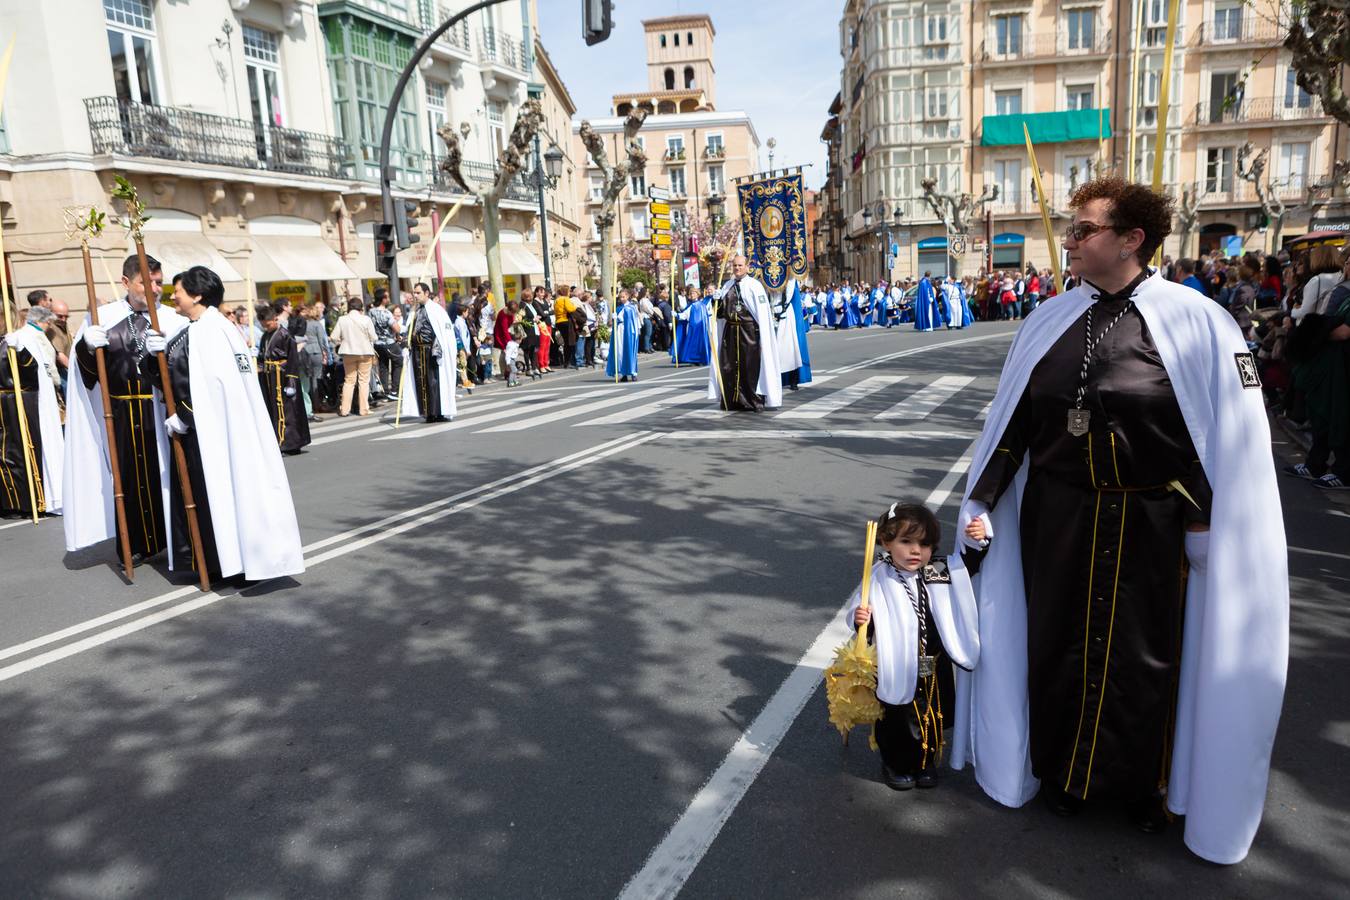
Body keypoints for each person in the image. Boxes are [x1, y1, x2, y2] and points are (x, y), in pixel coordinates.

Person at [951, 177, 1287, 865]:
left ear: (1132, 240)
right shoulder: (1048, 318)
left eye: (1084, 230)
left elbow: (1223, 439)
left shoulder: (1199, 323)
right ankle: (1067, 775)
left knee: (1145, 661)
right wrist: (982, 500)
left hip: (1152, 526)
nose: (1069, 241)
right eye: (1071, 231)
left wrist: (1200, 520)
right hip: (1058, 518)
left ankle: (1146, 788)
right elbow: (1016, 422)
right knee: (1056, 649)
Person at [146, 266, 303, 583]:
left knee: (214, 495)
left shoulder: (207, 331)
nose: (173, 295)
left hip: (209, 434)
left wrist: (185, 416)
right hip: (220, 429)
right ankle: (228, 558)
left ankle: (222, 561)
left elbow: (210, 385)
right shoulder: (215, 327)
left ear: (197, 294)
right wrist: (151, 357)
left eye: (178, 289)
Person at [848, 502, 983, 791]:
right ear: (885, 541)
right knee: (895, 716)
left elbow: (969, 563)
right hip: (895, 660)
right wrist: (861, 618)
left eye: (924, 544)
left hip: (933, 661)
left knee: (932, 713)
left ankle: (926, 763)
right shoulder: (879, 575)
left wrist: (978, 537)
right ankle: (895, 763)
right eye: (906, 542)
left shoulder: (939, 569)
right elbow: (860, 607)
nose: (915, 551)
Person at [64, 254, 187, 564]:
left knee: (166, 476)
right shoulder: (101, 316)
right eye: (147, 283)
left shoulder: (174, 319)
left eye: (159, 283)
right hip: (118, 414)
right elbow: (85, 376)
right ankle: (132, 542)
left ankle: (173, 541)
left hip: (159, 412)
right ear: (125, 282)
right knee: (127, 479)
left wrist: (167, 357)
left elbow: (186, 372)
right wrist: (85, 347)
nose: (156, 289)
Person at [1, 307, 63, 516]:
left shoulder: (21, 339)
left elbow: (33, 369)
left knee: (19, 453)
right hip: (4, 403)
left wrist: (20, 351)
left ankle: (29, 501)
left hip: (19, 401)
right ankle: (8, 501)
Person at [709, 255, 782, 411]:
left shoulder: (754, 286)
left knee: (750, 366)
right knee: (728, 367)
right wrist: (715, 301)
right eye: (735, 265)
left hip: (748, 331)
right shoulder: (727, 285)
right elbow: (719, 313)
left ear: (747, 267)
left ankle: (753, 400)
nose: (737, 268)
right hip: (730, 331)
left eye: (740, 265)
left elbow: (761, 314)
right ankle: (733, 400)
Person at [256, 304, 311, 455]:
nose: (266, 328)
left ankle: (288, 443)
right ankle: (281, 441)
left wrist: (291, 381)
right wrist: (260, 368)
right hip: (270, 378)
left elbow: (293, 358)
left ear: (275, 319)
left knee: (287, 412)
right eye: (263, 326)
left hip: (284, 377)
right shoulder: (265, 336)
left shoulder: (285, 335)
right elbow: (262, 355)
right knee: (274, 410)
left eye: (267, 325)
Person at [401, 291, 457, 424]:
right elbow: (408, 330)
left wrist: (439, 349)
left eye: (418, 292)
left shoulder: (436, 310)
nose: (415, 295)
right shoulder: (414, 311)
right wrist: (405, 344)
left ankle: (438, 411)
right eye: (414, 292)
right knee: (421, 383)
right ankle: (427, 413)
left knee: (434, 382)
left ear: (426, 293)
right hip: (417, 352)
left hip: (431, 351)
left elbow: (443, 332)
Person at [329, 298, 376, 417]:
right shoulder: (366, 319)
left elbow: (333, 337)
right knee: (364, 381)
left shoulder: (342, 319)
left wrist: (344, 340)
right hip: (365, 352)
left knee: (349, 381)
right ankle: (363, 409)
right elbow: (373, 337)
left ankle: (344, 409)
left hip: (348, 352)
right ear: (361, 308)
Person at [369, 288, 400, 401]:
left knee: (383, 366)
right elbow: (397, 328)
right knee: (398, 362)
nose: (388, 299)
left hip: (377, 343)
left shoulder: (371, 312)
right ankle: (395, 390)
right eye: (387, 297)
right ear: (383, 299)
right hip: (388, 342)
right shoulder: (386, 313)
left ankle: (385, 391)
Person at [606, 289, 640, 383]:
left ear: (628, 296)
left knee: (629, 352)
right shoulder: (618, 308)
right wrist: (614, 319)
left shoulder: (631, 308)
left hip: (629, 332)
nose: (621, 299)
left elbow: (634, 321)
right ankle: (623, 373)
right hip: (619, 332)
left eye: (623, 297)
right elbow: (615, 322)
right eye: (620, 297)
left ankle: (633, 373)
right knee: (620, 352)